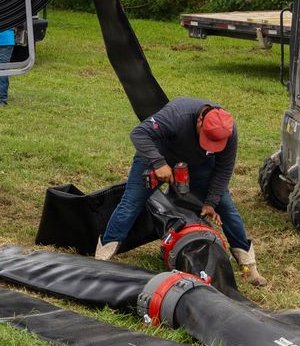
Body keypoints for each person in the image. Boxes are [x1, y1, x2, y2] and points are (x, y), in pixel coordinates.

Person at [96, 97, 267, 287]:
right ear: (199, 121)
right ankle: (101, 259)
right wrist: (159, 163)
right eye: (207, 139)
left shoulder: (228, 131)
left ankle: (249, 267)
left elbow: (224, 169)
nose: (210, 144)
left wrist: (211, 202)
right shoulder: (177, 115)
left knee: (226, 207)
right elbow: (139, 133)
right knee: (130, 204)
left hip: (199, 164)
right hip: (158, 155)